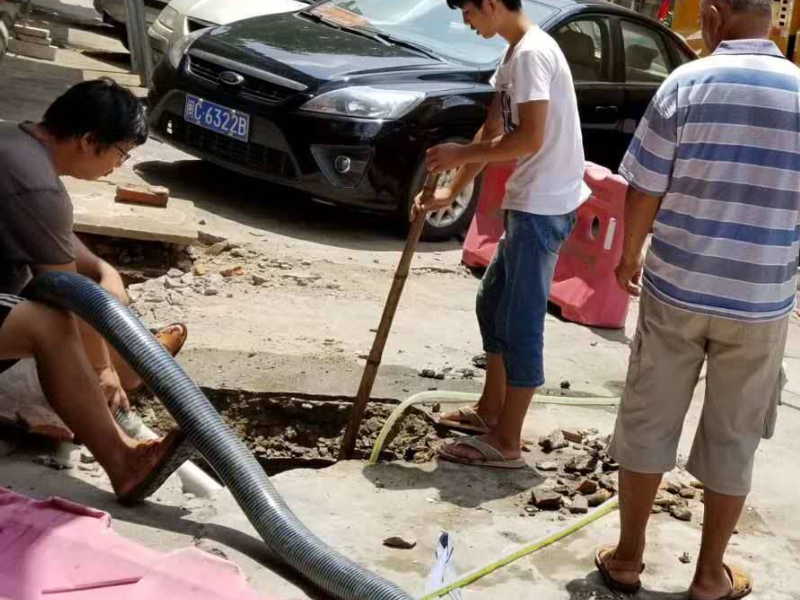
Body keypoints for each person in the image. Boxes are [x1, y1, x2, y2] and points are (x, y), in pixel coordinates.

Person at [596, 2, 800, 599]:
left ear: (714, 16)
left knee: (649, 417)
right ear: (771, 20)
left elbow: (644, 187)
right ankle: (710, 575)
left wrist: (628, 255)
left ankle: (629, 557)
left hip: (677, 289)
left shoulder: (686, 81)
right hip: (761, 300)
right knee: (734, 435)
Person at [0, 78, 189, 502]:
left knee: (92, 309)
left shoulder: (16, 142)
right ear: (89, 141)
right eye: (122, 152)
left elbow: (62, 245)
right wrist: (102, 367)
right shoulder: (35, 182)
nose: (119, 165)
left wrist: (108, 272)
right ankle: (122, 460)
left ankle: (119, 369)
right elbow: (68, 292)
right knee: (49, 323)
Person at [415, 0, 585, 467]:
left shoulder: (533, 53)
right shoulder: (514, 55)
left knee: (520, 321)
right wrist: (450, 191)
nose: (465, 22)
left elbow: (527, 140)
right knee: (491, 302)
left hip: (543, 207)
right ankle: (490, 411)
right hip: (529, 201)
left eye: (467, 11)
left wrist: (455, 155)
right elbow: (491, 128)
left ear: (490, 4)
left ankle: (507, 442)